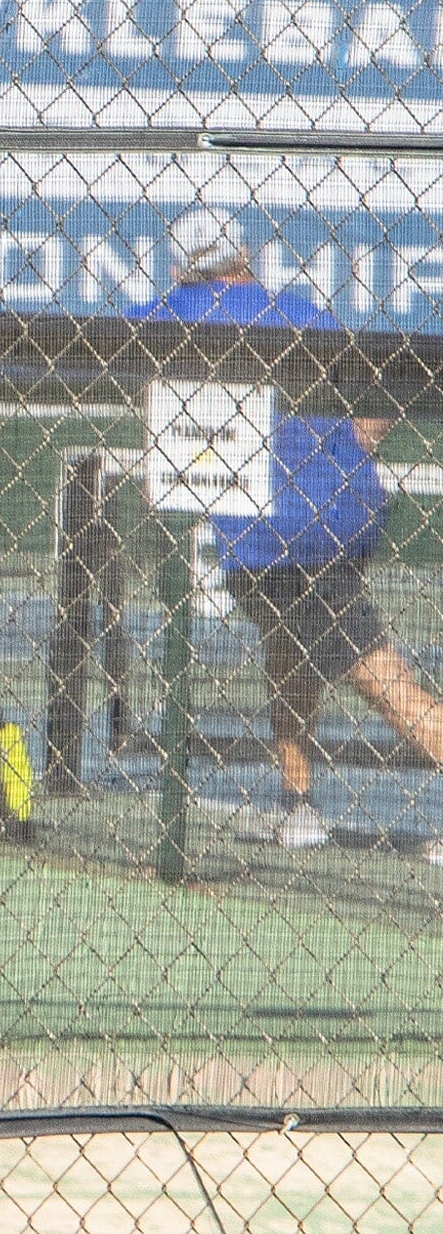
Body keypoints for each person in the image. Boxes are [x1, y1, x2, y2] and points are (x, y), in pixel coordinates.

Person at [133, 207, 443, 861]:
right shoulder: (302, 313)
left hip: (276, 531)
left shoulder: (171, 315)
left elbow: (93, 359)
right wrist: (342, 454)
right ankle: (298, 805)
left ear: (182, 267)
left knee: (376, 675)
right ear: (244, 255)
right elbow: (385, 391)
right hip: (343, 510)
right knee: (287, 648)